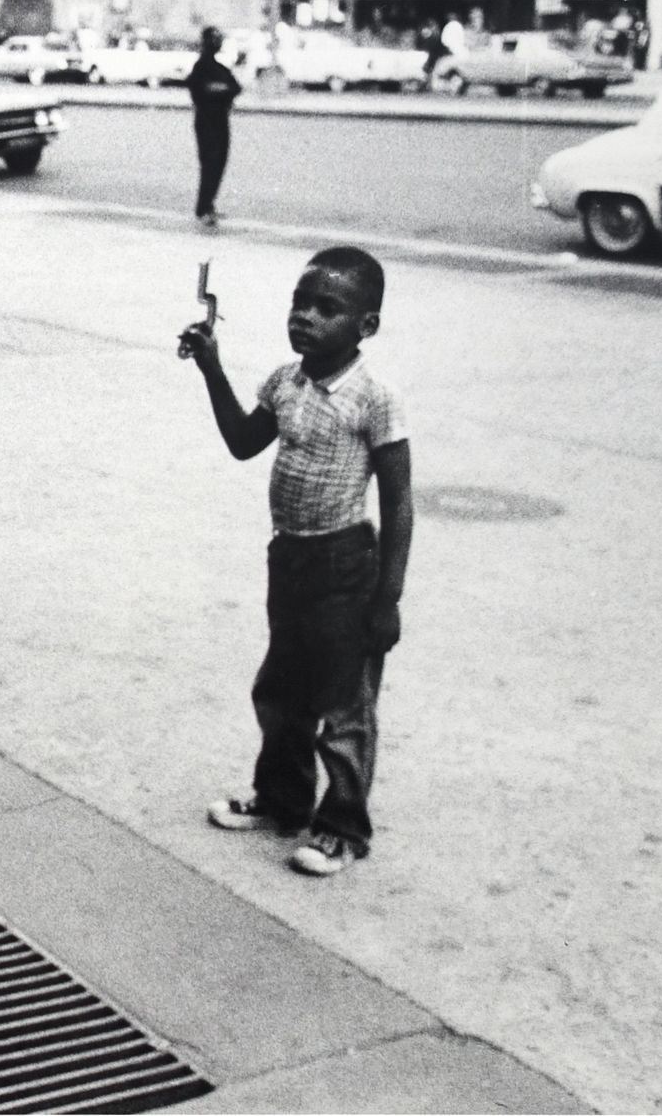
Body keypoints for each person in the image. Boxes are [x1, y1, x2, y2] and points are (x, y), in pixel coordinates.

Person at [177, 247, 413, 878]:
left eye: (326, 309)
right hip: (290, 558)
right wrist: (211, 368)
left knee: (344, 703)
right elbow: (242, 442)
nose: (306, 317)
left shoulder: (374, 398)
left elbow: (398, 502)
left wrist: (387, 599)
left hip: (345, 563)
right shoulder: (286, 382)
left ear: (366, 326)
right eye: (299, 304)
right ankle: (282, 799)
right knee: (281, 688)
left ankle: (342, 828)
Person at [187, 25, 241, 225]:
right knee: (210, 164)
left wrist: (218, 88)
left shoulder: (219, 68)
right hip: (207, 122)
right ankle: (203, 208)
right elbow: (200, 90)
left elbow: (235, 87)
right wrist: (221, 89)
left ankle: (208, 204)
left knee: (218, 164)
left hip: (220, 120)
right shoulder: (201, 67)